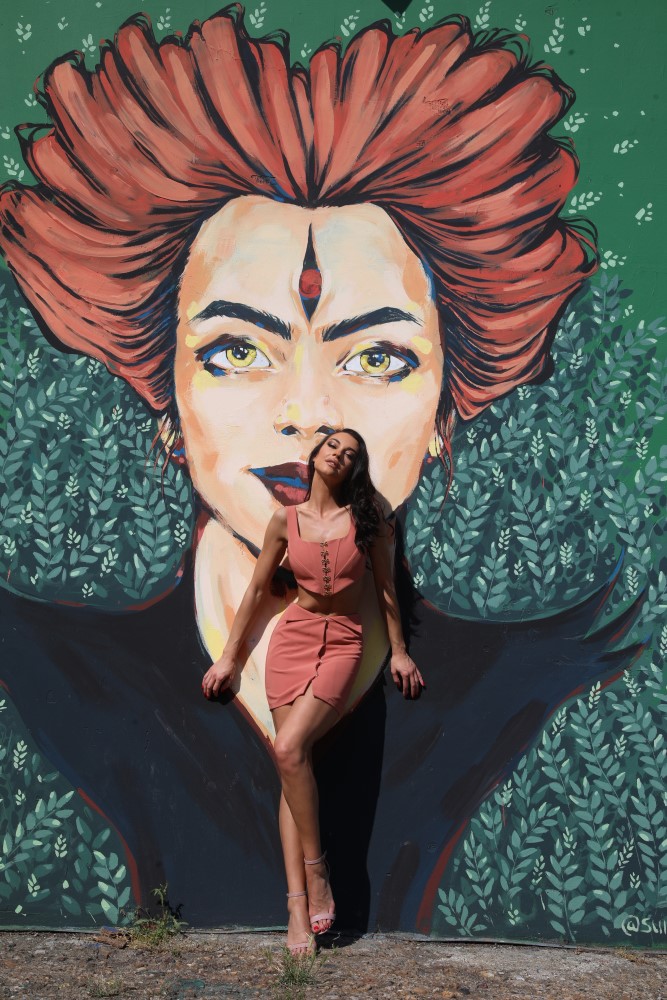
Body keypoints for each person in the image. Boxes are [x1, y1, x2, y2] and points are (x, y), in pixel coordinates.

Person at [0, 9, 637, 935]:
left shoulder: (534, 694)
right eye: (235, 350)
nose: (308, 410)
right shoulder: (38, 672)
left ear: (447, 413)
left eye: (377, 357)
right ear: (163, 398)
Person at [202, 427, 423, 952]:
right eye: (332, 446)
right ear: (316, 455)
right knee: (292, 765)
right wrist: (229, 658)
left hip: (344, 643)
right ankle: (297, 910)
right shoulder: (285, 520)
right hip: (291, 641)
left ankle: (318, 871)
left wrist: (399, 651)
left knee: (288, 749)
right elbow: (258, 588)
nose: (338, 455)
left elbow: (386, 590)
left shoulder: (367, 522)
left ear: (354, 468)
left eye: (350, 454)